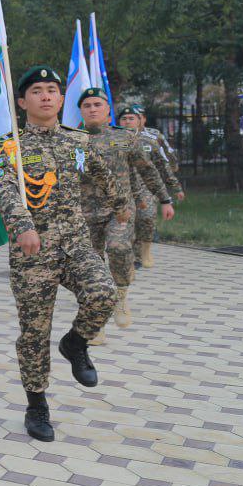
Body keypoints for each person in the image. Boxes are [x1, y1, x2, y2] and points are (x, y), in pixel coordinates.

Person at [0, 67, 128, 444]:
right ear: (23, 102)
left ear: (62, 99)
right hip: (34, 252)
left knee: (103, 294)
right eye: (37, 91)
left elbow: (101, 172)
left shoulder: (77, 142)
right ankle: (36, 405)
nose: (46, 96)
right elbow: (3, 187)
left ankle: (76, 343)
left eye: (53, 90)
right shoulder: (9, 146)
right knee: (34, 334)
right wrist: (22, 225)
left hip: (76, 244)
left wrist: (120, 202)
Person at [78, 90, 173, 344]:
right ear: (81, 111)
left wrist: (165, 198)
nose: (92, 109)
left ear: (108, 110)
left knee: (119, 248)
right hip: (85, 214)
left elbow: (147, 170)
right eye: (87, 105)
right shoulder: (71, 139)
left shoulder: (124, 138)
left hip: (119, 211)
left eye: (98, 104)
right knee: (92, 269)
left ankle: (121, 295)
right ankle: (96, 325)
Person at [118, 104, 184, 268]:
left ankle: (144, 249)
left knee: (146, 217)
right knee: (125, 224)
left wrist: (175, 188)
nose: (127, 122)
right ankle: (130, 258)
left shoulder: (150, 140)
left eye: (131, 118)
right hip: (122, 188)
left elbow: (163, 165)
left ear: (140, 121)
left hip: (146, 186)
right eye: (124, 119)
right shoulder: (113, 140)